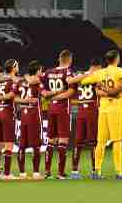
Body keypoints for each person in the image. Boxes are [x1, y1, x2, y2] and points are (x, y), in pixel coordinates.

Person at [74, 49, 122, 180]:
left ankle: (97, 171)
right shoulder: (118, 71)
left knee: (101, 142)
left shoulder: (100, 72)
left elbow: (83, 82)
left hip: (103, 109)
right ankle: (118, 172)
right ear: (117, 59)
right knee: (117, 141)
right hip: (116, 109)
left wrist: (91, 77)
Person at [42, 50, 74, 179]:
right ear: (70, 60)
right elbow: (71, 91)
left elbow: (43, 92)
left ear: (59, 59)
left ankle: (47, 171)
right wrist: (59, 95)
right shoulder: (68, 72)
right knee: (63, 140)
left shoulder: (49, 72)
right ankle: (61, 173)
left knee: (51, 140)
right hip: (63, 108)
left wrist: (52, 97)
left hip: (52, 108)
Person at [68, 59, 102, 179]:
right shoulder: (97, 75)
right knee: (94, 142)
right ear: (98, 66)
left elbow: (70, 81)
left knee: (78, 142)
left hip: (81, 109)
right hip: (92, 109)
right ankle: (95, 172)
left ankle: (74, 171)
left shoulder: (80, 75)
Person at [15, 61, 44, 179]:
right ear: (37, 71)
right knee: (36, 145)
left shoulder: (21, 81)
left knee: (22, 146)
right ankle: (36, 173)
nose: (41, 72)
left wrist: (24, 101)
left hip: (23, 115)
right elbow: (44, 93)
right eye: (41, 70)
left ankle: (22, 173)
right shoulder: (37, 81)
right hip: (34, 114)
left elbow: (16, 98)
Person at [0, 59, 19, 179]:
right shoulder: (13, 80)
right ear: (13, 68)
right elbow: (12, 95)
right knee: (9, 145)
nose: (18, 67)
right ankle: (7, 174)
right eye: (17, 66)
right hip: (8, 114)